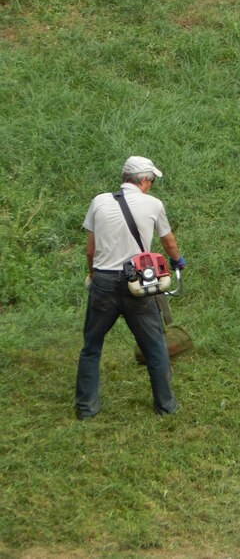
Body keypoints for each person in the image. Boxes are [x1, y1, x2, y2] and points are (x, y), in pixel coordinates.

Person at [75, 156, 186, 420]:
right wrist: (176, 260)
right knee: (155, 347)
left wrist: (92, 275)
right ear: (144, 180)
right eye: (152, 181)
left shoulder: (99, 202)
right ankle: (166, 406)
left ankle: (86, 409)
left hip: (103, 282)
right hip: (138, 282)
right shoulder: (153, 204)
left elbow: (90, 249)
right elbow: (168, 242)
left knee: (91, 347)